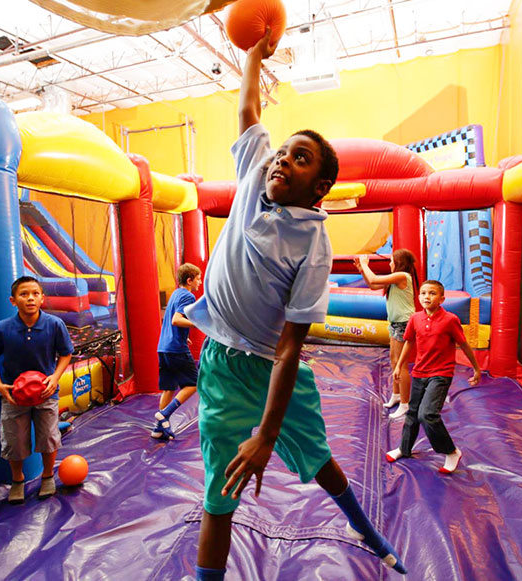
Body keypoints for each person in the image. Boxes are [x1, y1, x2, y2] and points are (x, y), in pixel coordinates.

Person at [182, 30, 406, 580]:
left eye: (298, 159)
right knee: (220, 490)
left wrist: (267, 433)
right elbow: (247, 108)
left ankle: (360, 522)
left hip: (271, 367)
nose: (282, 160)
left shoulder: (313, 245)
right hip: (220, 361)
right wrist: (252, 57)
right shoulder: (254, 173)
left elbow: (289, 348)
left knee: (319, 456)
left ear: (320, 187)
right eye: (283, 152)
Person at [0, 276, 74, 504]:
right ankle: (17, 480)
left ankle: (47, 476)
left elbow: (66, 353)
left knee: (49, 437)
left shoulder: (54, 325)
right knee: (14, 441)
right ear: (13, 300)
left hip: (46, 394)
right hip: (14, 397)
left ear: (42, 298)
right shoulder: (2, 328)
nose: (30, 298)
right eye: (24, 294)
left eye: (35, 293)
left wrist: (55, 377)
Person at [387, 280, 481, 473]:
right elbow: (409, 342)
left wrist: (476, 368)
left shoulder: (450, 320)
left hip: (441, 373)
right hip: (420, 371)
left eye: (432, 293)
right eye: (423, 293)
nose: (426, 297)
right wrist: (399, 366)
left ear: (442, 299)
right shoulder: (415, 318)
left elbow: (463, 344)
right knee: (412, 413)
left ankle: (451, 451)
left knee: (427, 414)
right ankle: (404, 449)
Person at [354, 249, 419, 419]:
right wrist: (362, 269)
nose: (390, 264)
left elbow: (374, 278)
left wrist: (366, 264)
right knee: (393, 360)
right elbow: (373, 284)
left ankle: (405, 404)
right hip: (395, 324)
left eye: (392, 261)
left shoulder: (402, 276)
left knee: (401, 364)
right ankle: (396, 395)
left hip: (404, 324)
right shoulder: (394, 279)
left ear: (399, 263)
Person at [151, 262, 202, 440]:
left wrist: (183, 334)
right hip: (176, 349)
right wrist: (198, 323)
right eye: (198, 279)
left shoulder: (175, 294)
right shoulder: (188, 296)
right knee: (194, 384)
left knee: (168, 388)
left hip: (163, 347)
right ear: (189, 280)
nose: (200, 282)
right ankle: (165, 414)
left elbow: (170, 321)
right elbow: (175, 320)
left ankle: (158, 428)